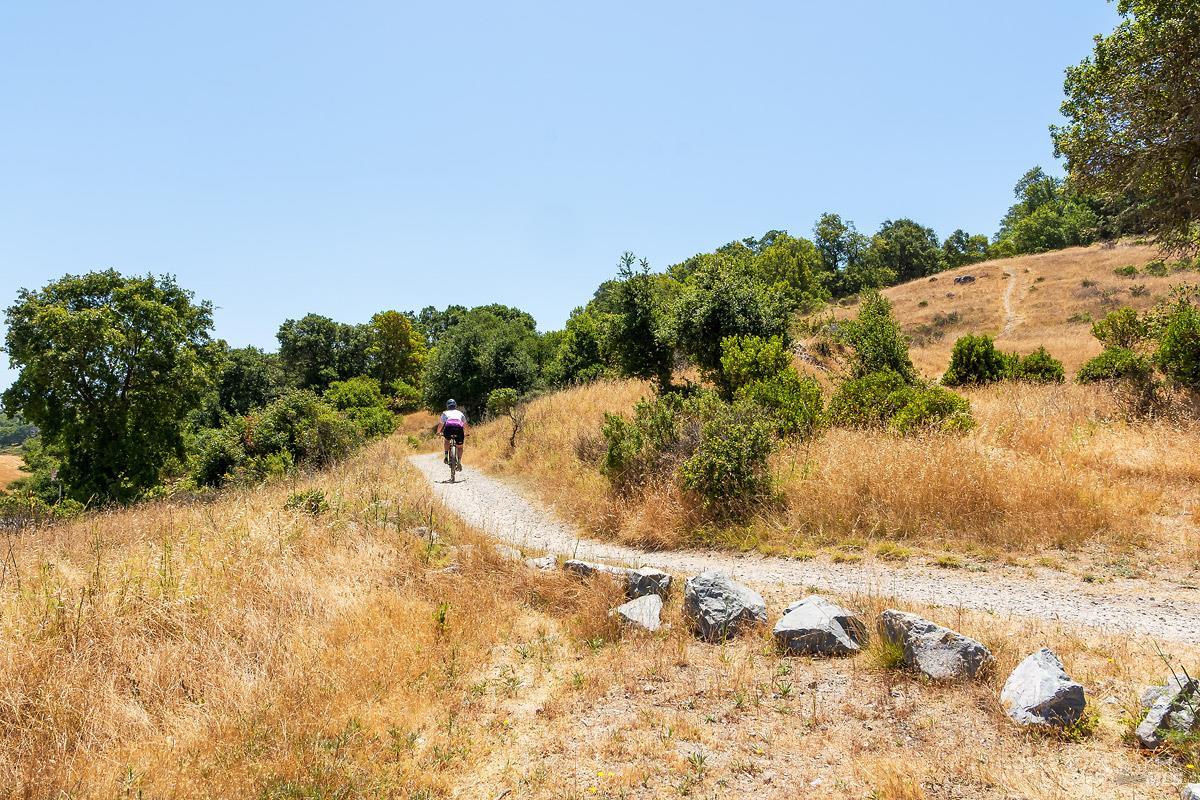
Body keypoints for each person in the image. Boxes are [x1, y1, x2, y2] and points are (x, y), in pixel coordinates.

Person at [436, 399, 468, 465]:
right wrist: (466, 433)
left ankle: (446, 456)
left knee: (447, 440)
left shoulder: (445, 413)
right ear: (455, 406)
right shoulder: (460, 413)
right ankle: (459, 461)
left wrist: (438, 432)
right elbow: (465, 424)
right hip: (459, 430)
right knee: (460, 447)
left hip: (448, 429)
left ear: (447, 406)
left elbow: (441, 424)